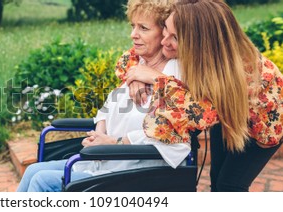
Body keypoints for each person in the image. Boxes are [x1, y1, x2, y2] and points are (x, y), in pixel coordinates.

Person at [17, 0, 185, 192]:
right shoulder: (136, 65)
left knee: (42, 181)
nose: (133, 35)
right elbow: (108, 107)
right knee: (32, 171)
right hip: (105, 161)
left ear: (164, 32)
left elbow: (170, 137)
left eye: (143, 28)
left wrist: (114, 143)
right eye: (133, 26)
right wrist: (99, 133)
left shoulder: (173, 77)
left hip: (135, 172)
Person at [126, 0, 282, 192]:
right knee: (216, 179)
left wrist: (156, 78)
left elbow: (199, 115)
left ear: (200, 43)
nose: (164, 41)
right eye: (166, 28)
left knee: (229, 186)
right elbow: (135, 55)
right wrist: (137, 75)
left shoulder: (236, 72)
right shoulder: (196, 46)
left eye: (175, 38)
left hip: (261, 124)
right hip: (227, 113)